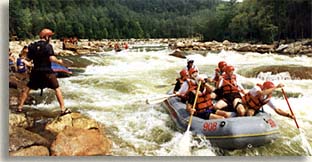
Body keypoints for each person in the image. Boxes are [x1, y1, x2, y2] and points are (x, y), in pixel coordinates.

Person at [17, 28, 71, 115]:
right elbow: (51, 58)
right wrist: (59, 62)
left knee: (27, 89)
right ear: (46, 37)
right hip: (47, 72)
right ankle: (63, 109)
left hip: (36, 72)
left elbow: (28, 59)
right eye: (50, 37)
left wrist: (23, 62)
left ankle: (20, 107)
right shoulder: (48, 46)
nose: (50, 39)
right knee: (57, 89)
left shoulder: (32, 46)